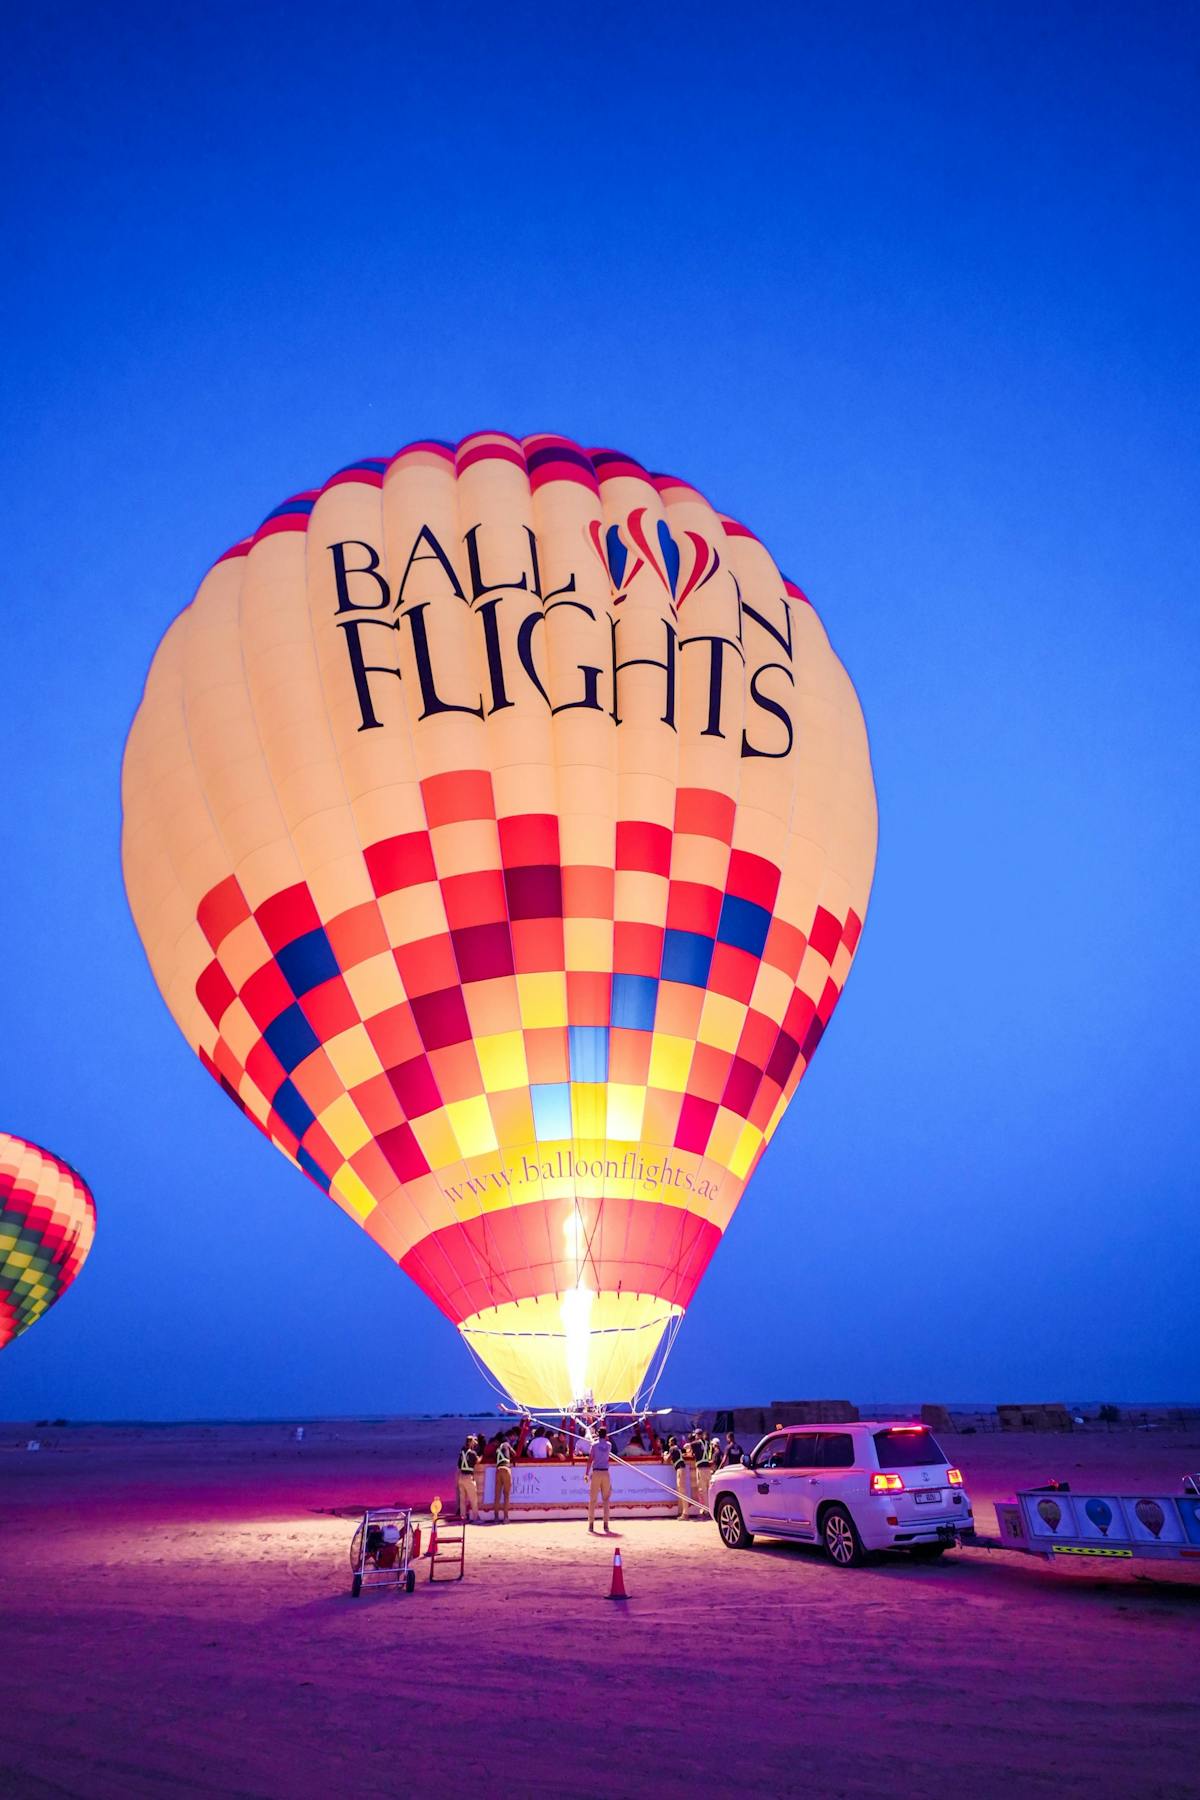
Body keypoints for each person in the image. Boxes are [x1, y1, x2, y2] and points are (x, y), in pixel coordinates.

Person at [586, 1424, 613, 1533]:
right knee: (606, 1500)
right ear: (605, 1435)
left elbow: (590, 1460)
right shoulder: (609, 1445)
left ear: (598, 1434)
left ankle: (591, 1524)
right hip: (605, 1473)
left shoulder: (594, 1445)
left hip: (596, 1472)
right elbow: (606, 1443)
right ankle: (606, 1524)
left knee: (593, 1499)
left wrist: (586, 1473)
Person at [664, 1436, 689, 1519]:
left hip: (680, 1470)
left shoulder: (672, 1448)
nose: (668, 1444)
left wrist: (664, 1455)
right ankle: (682, 1512)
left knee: (682, 1491)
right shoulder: (677, 1449)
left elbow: (667, 1460)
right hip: (681, 1469)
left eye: (669, 1442)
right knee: (681, 1491)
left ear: (672, 1442)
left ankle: (685, 1513)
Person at [492, 1432, 514, 1523]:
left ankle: (496, 1517)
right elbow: (514, 1453)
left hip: (498, 1470)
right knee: (506, 1495)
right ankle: (505, 1517)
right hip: (506, 1468)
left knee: (497, 1495)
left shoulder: (497, 1449)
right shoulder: (507, 1445)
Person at [456, 1438, 479, 1522]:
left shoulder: (462, 1453)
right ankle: (476, 1517)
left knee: (462, 1500)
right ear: (470, 1442)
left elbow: (458, 1465)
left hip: (461, 1477)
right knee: (473, 1499)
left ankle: (463, 1517)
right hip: (468, 1477)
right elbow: (477, 1461)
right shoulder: (472, 1453)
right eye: (473, 1442)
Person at [693, 1429, 715, 1516]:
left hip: (701, 1469)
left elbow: (686, 1447)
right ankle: (712, 1508)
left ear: (697, 1435)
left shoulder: (696, 1443)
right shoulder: (708, 1443)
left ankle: (706, 1510)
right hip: (708, 1469)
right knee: (709, 1489)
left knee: (703, 1490)